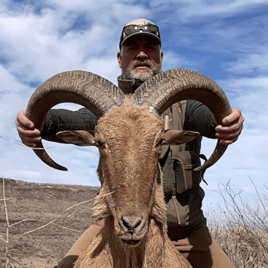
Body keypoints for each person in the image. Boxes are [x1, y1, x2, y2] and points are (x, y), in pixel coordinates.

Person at [15, 18, 244, 268]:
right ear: (120, 57)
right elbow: (68, 120)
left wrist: (225, 123)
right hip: (116, 225)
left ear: (161, 56)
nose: (142, 54)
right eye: (133, 48)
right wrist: (38, 124)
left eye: (150, 48)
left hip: (186, 233)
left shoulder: (184, 104)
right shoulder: (108, 110)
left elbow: (209, 119)